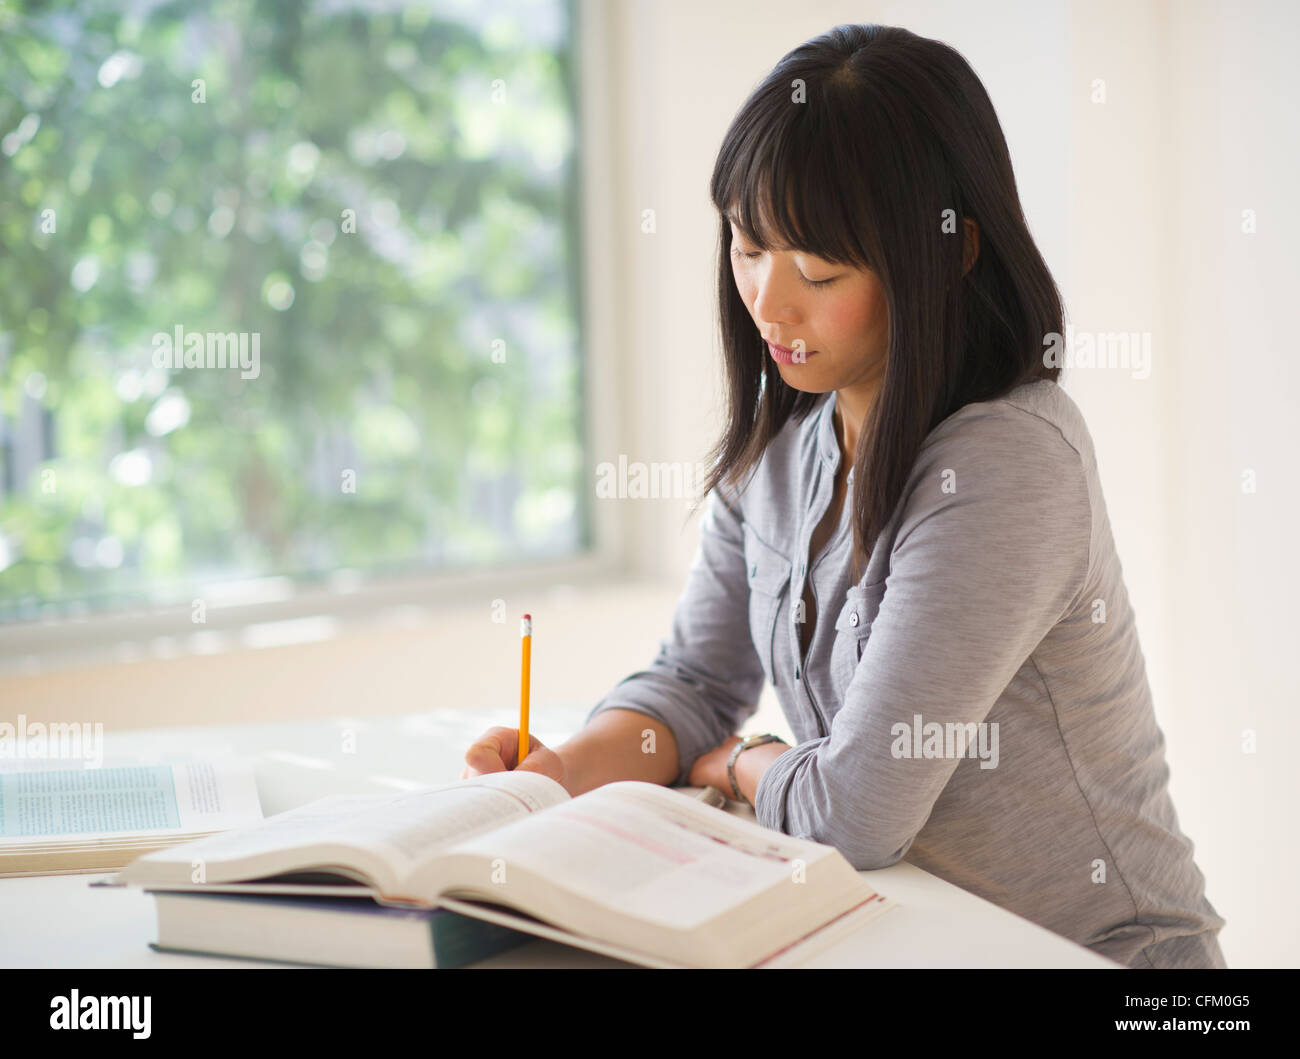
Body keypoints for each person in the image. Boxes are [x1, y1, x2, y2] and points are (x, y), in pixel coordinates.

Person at [461, 23, 1226, 969]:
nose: (769, 304)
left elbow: (855, 813)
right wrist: (563, 772)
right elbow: (695, 687)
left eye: (818, 271)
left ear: (949, 253)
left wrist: (744, 764)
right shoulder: (781, 449)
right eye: (747, 247)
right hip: (912, 942)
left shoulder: (1007, 463)